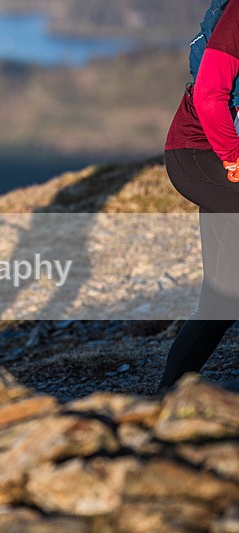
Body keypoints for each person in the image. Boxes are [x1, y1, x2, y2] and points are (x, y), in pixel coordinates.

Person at [160, 0, 239, 391]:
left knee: (223, 298)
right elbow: (209, 94)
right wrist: (233, 157)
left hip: (212, 158)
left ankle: (167, 397)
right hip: (200, 154)